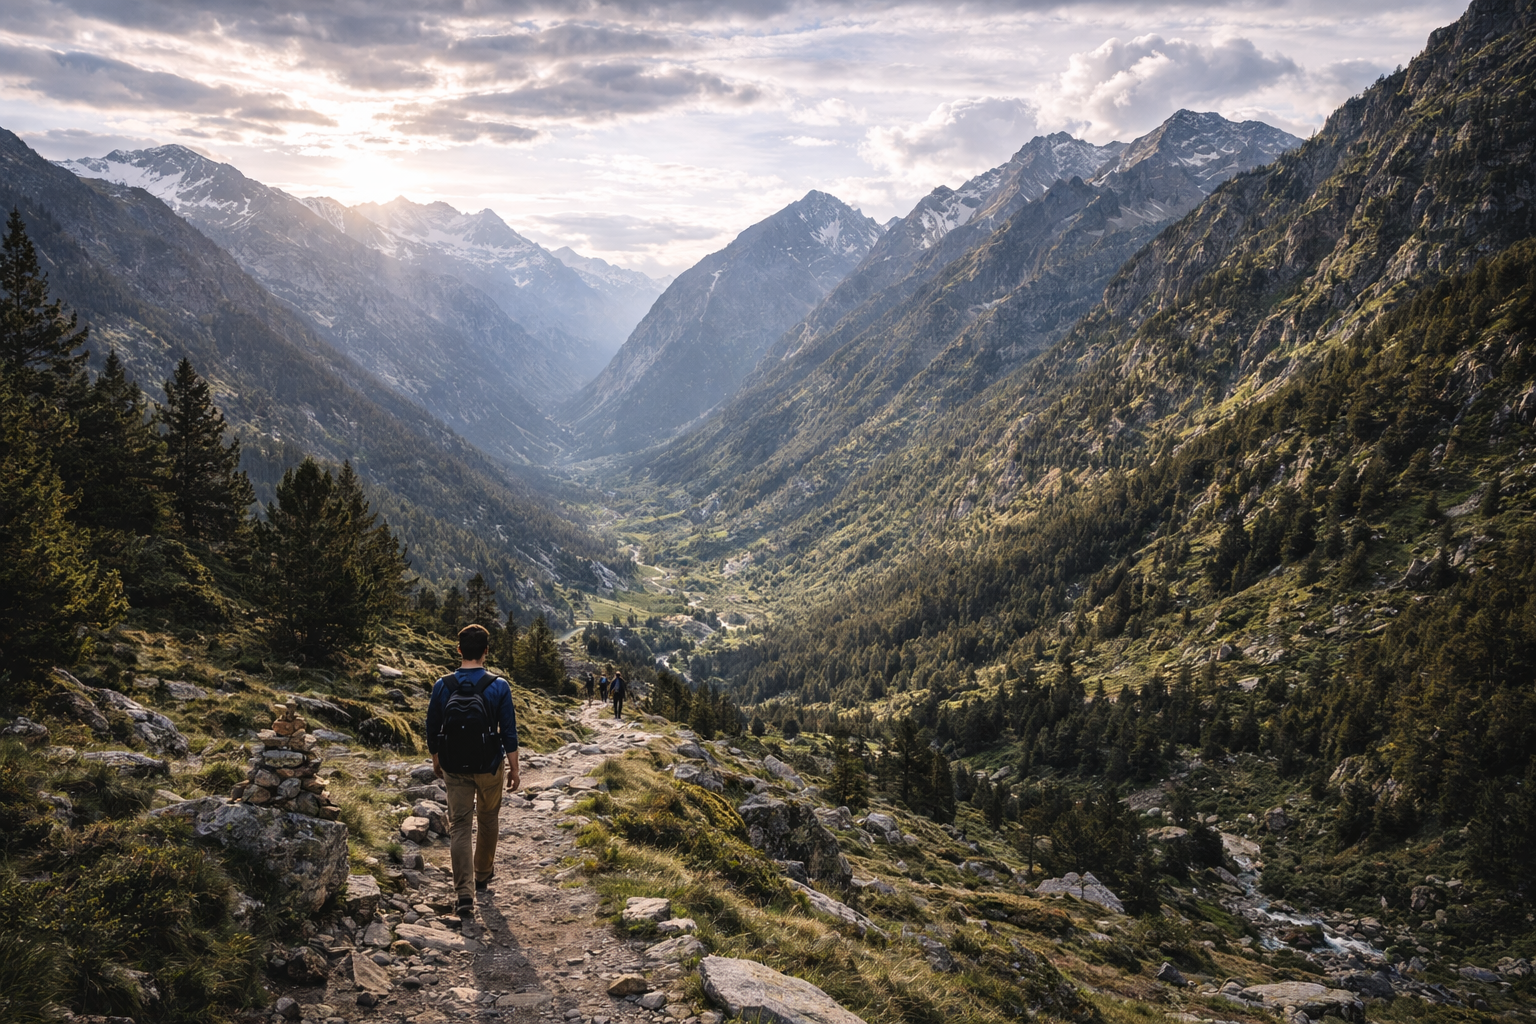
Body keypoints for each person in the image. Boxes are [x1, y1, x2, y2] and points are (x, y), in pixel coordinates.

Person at [426, 624, 520, 922]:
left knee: (460, 825)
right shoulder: (499, 686)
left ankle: (464, 894)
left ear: (459, 650)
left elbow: (432, 727)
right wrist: (514, 768)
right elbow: (509, 732)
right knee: (488, 819)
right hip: (489, 765)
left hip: (454, 766)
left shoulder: (442, 685)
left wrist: (436, 758)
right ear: (485, 652)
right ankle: (482, 874)